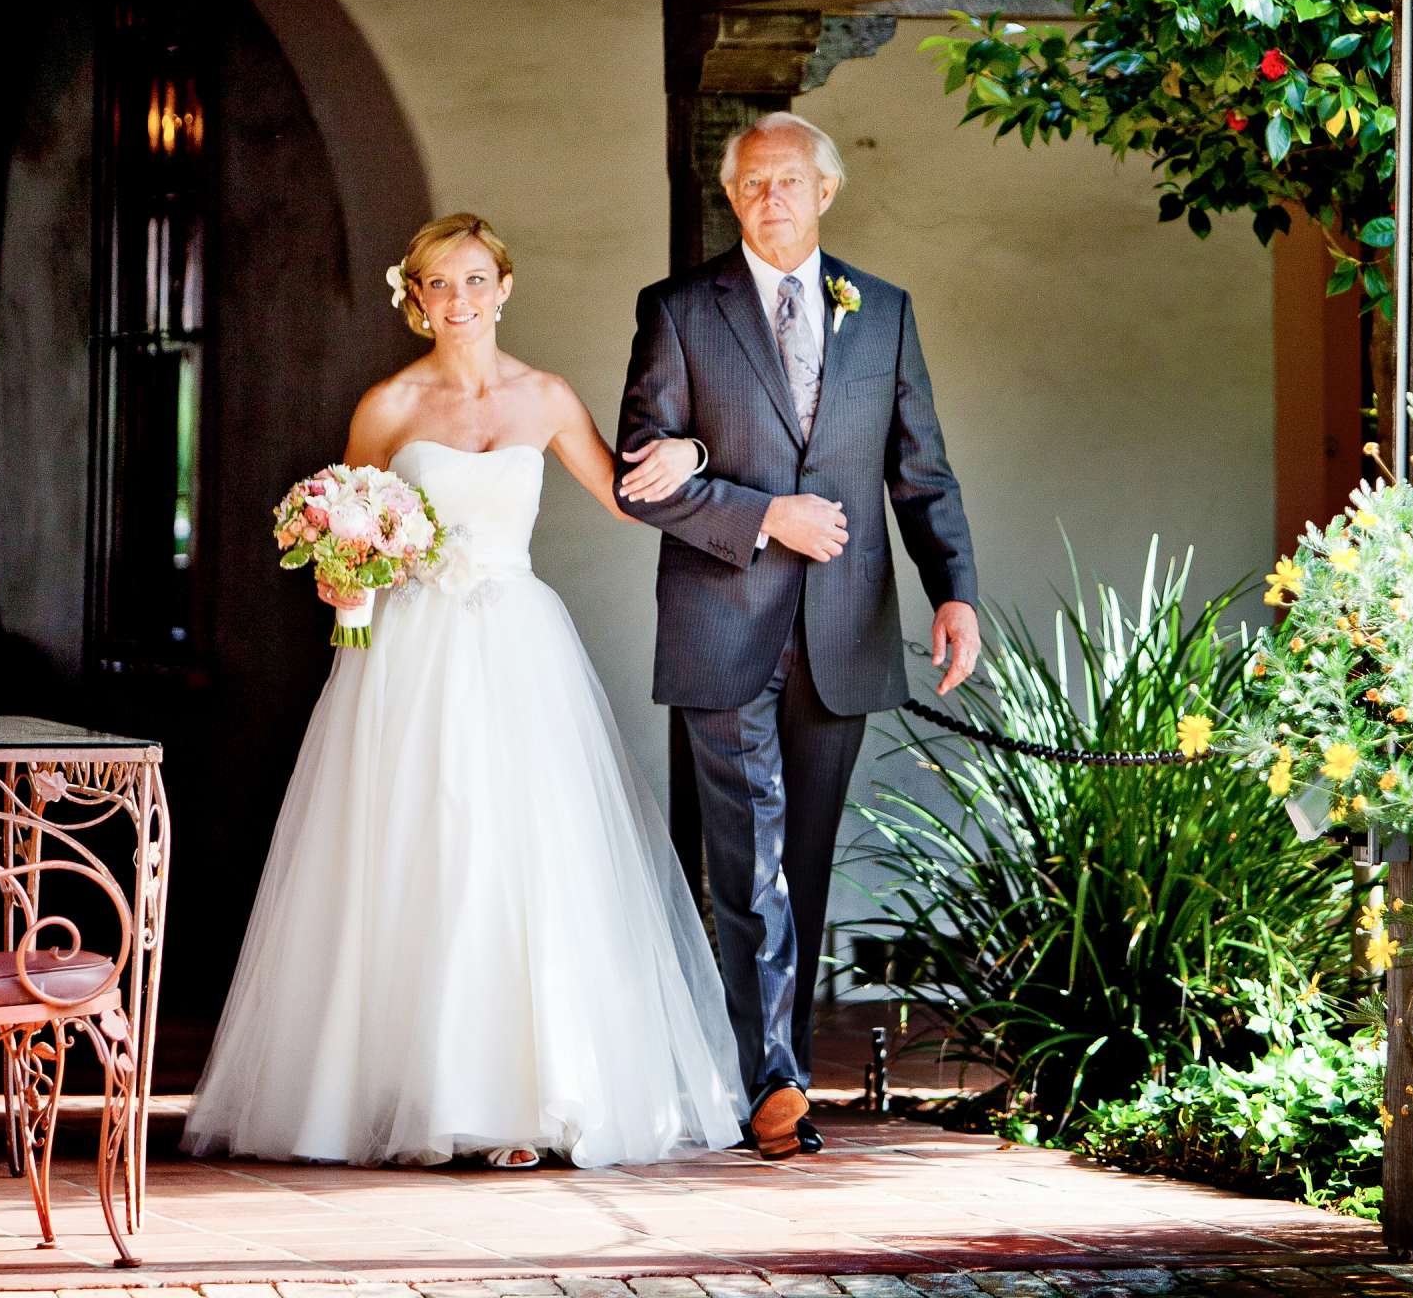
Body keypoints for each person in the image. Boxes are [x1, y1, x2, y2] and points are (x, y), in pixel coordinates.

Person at [183, 213, 744, 1169]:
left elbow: (625, 497)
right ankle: (431, 1095)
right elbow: (347, 533)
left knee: (529, 858)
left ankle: (531, 1102)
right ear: (417, 299)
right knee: (424, 853)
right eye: (440, 284)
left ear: (504, 287)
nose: (461, 300)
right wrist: (342, 573)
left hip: (521, 648)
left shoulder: (548, 396)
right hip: (411, 652)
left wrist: (691, 455)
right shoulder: (389, 406)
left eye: (476, 280)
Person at [613, 111, 980, 1160]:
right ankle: (773, 1080)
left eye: (788, 181)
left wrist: (953, 589)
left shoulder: (885, 311)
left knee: (802, 856)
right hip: (721, 623)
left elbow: (922, 470)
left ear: (826, 190)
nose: (769, 198)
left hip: (843, 629)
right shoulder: (680, 310)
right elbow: (643, 476)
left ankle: (767, 1060)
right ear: (732, 198)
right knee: (751, 853)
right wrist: (764, 514)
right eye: (751, 185)